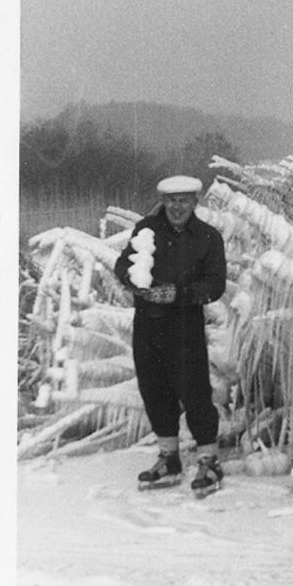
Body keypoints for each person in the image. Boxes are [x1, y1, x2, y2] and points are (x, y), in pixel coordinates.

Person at [114, 175, 228, 492]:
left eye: (184, 201)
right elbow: (123, 264)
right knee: (154, 388)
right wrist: (130, 279)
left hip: (184, 325)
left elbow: (215, 285)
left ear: (195, 202)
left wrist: (179, 293)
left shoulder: (207, 237)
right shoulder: (146, 231)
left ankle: (210, 461)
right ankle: (169, 458)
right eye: (171, 200)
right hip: (147, 323)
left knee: (194, 392)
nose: (177, 207)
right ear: (163, 201)